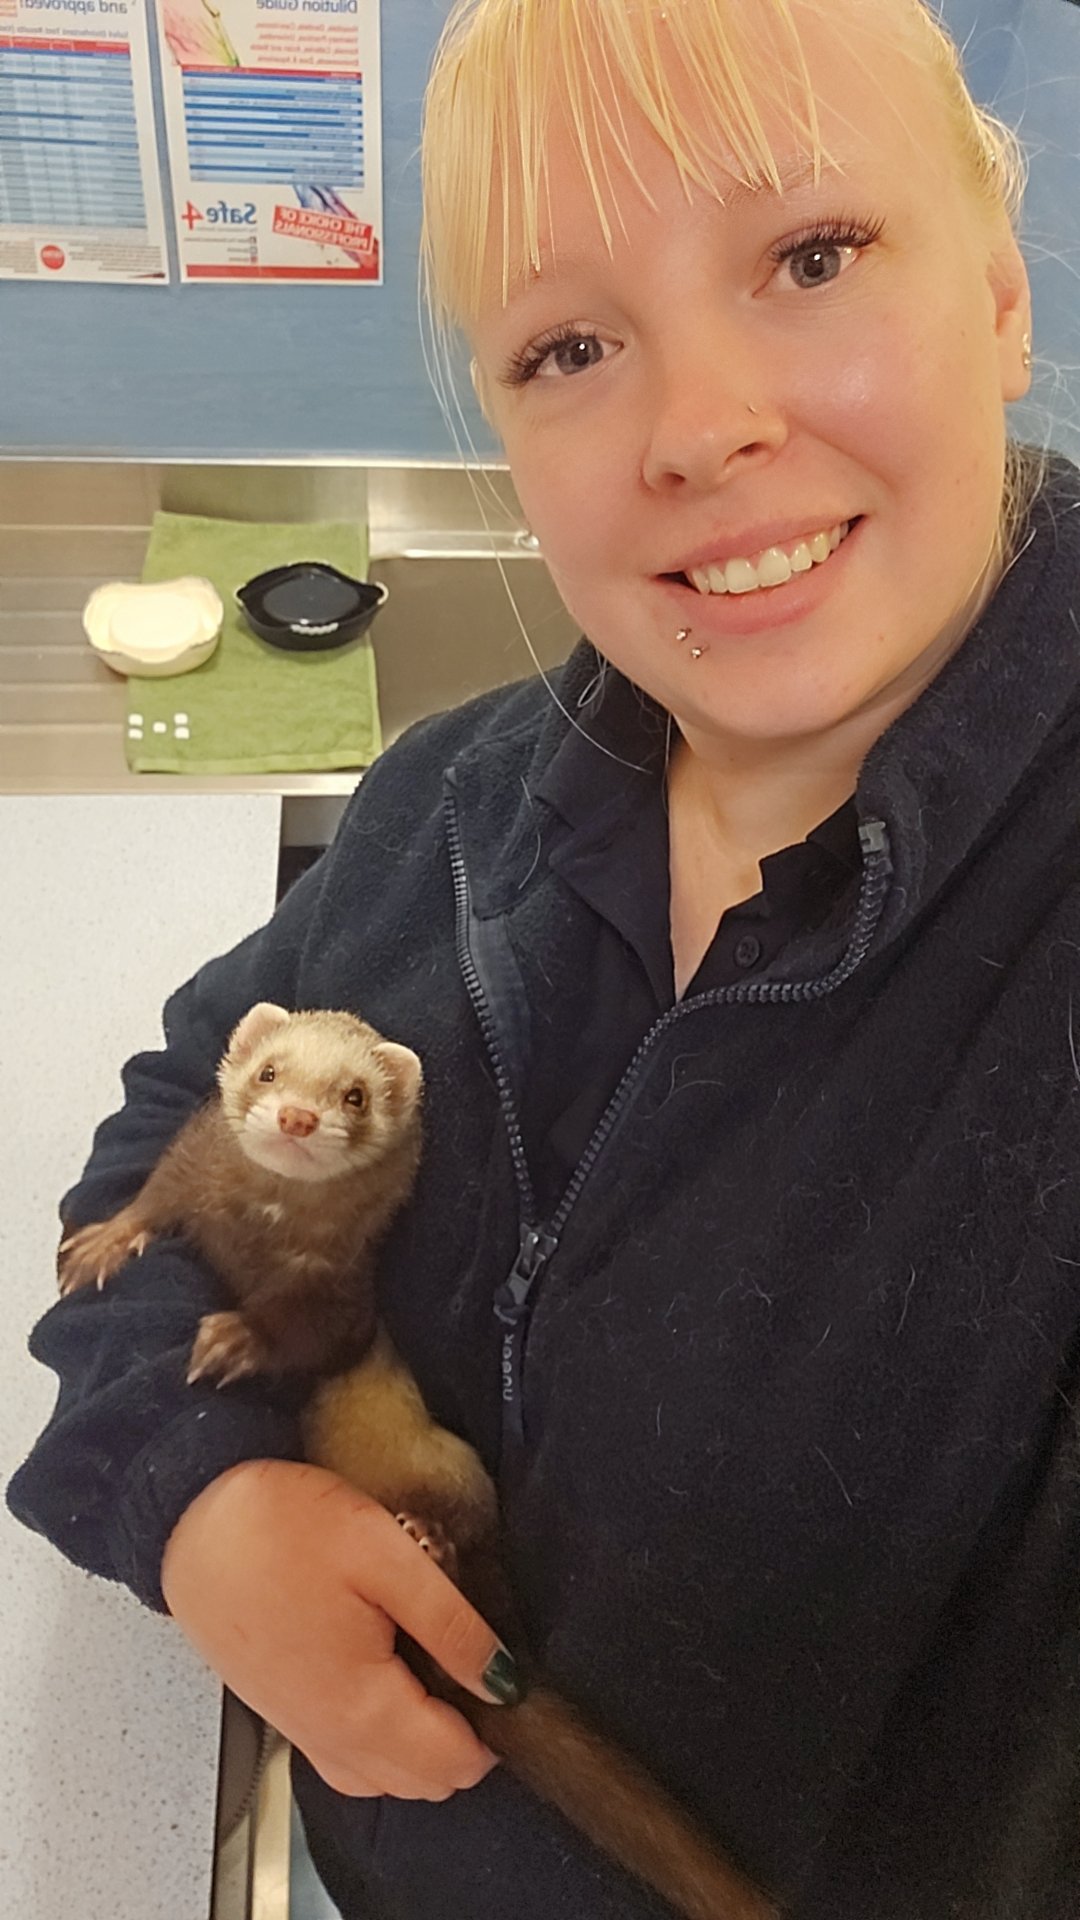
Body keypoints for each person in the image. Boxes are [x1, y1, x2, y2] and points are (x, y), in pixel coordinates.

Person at [8, 1, 1080, 1915]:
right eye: (571, 344)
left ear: (1001, 293)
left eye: (811, 255)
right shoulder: (461, 804)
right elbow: (177, 1139)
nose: (697, 428)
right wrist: (197, 1499)